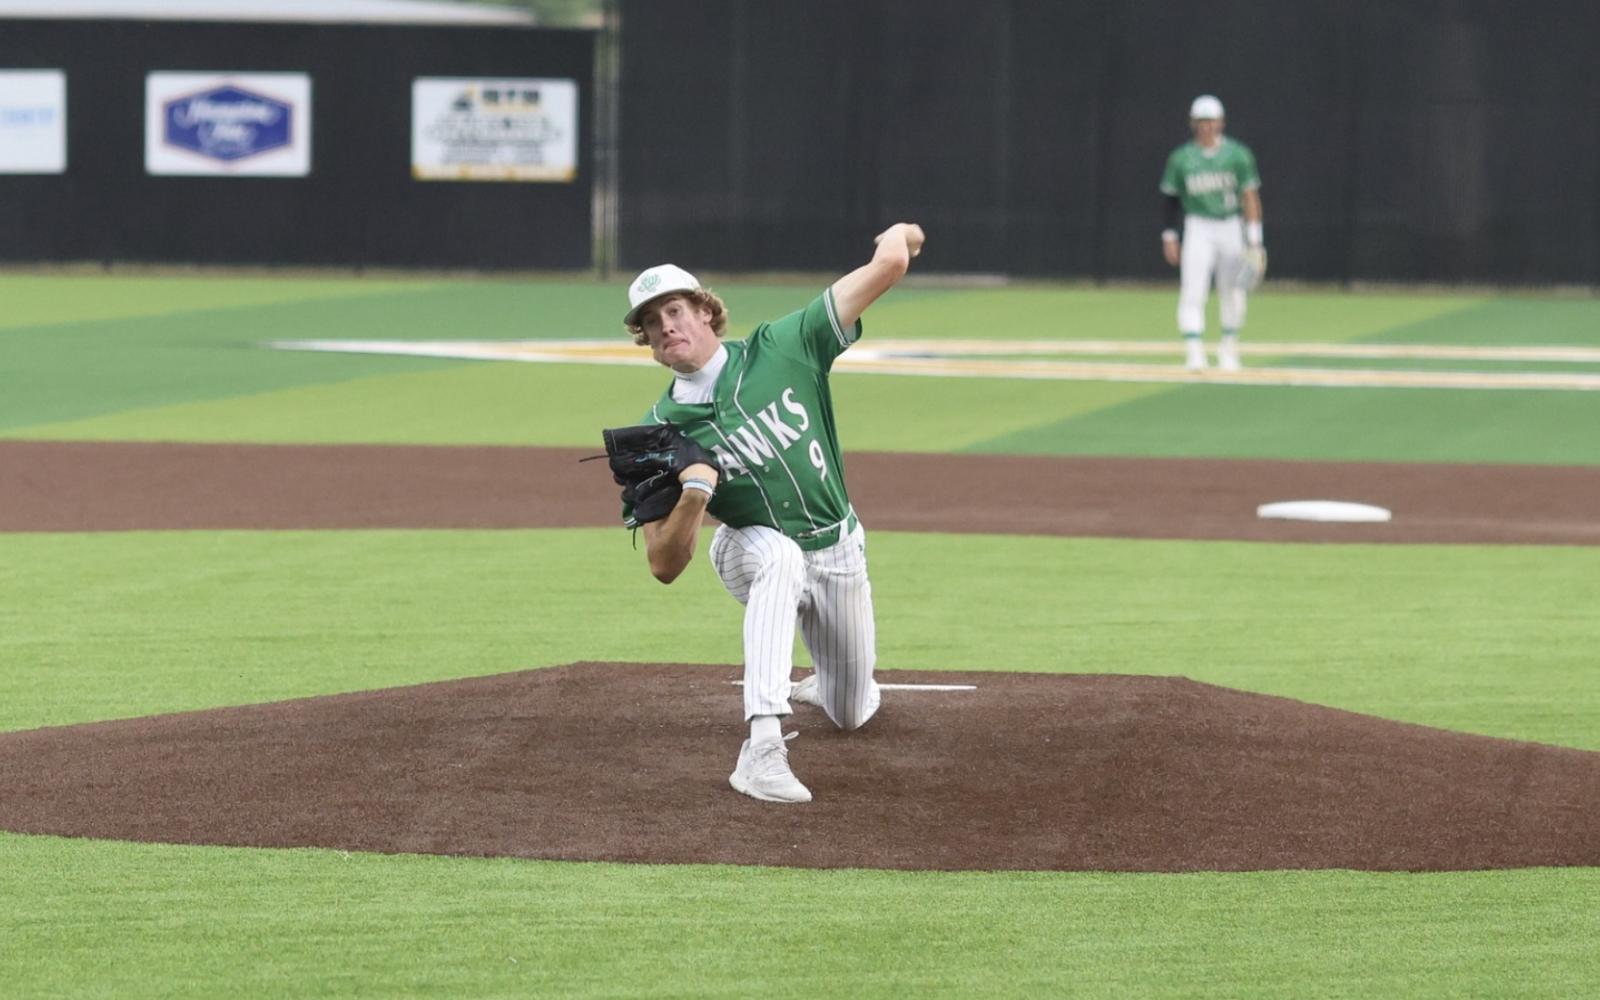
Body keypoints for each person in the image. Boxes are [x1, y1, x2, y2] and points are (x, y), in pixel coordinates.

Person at [618, 222, 926, 804]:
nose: (666, 326)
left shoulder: (785, 346)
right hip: (748, 551)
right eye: (651, 322)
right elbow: (662, 564)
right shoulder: (659, 432)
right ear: (648, 342)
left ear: (705, 312)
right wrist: (694, 495)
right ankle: (761, 749)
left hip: (839, 551)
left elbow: (888, 266)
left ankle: (827, 683)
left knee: (853, 710)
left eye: (676, 310)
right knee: (780, 557)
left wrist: (903, 233)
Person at [1159, 94, 1265, 372]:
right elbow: (1171, 199)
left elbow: (1250, 196)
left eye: (1212, 121)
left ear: (1221, 123)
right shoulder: (1181, 158)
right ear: (1194, 123)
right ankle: (1194, 352)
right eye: (1202, 121)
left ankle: (1228, 348)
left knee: (1233, 290)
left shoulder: (1237, 155)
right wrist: (1170, 235)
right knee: (1193, 289)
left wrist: (1255, 239)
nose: (1207, 126)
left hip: (1230, 225)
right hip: (1198, 225)